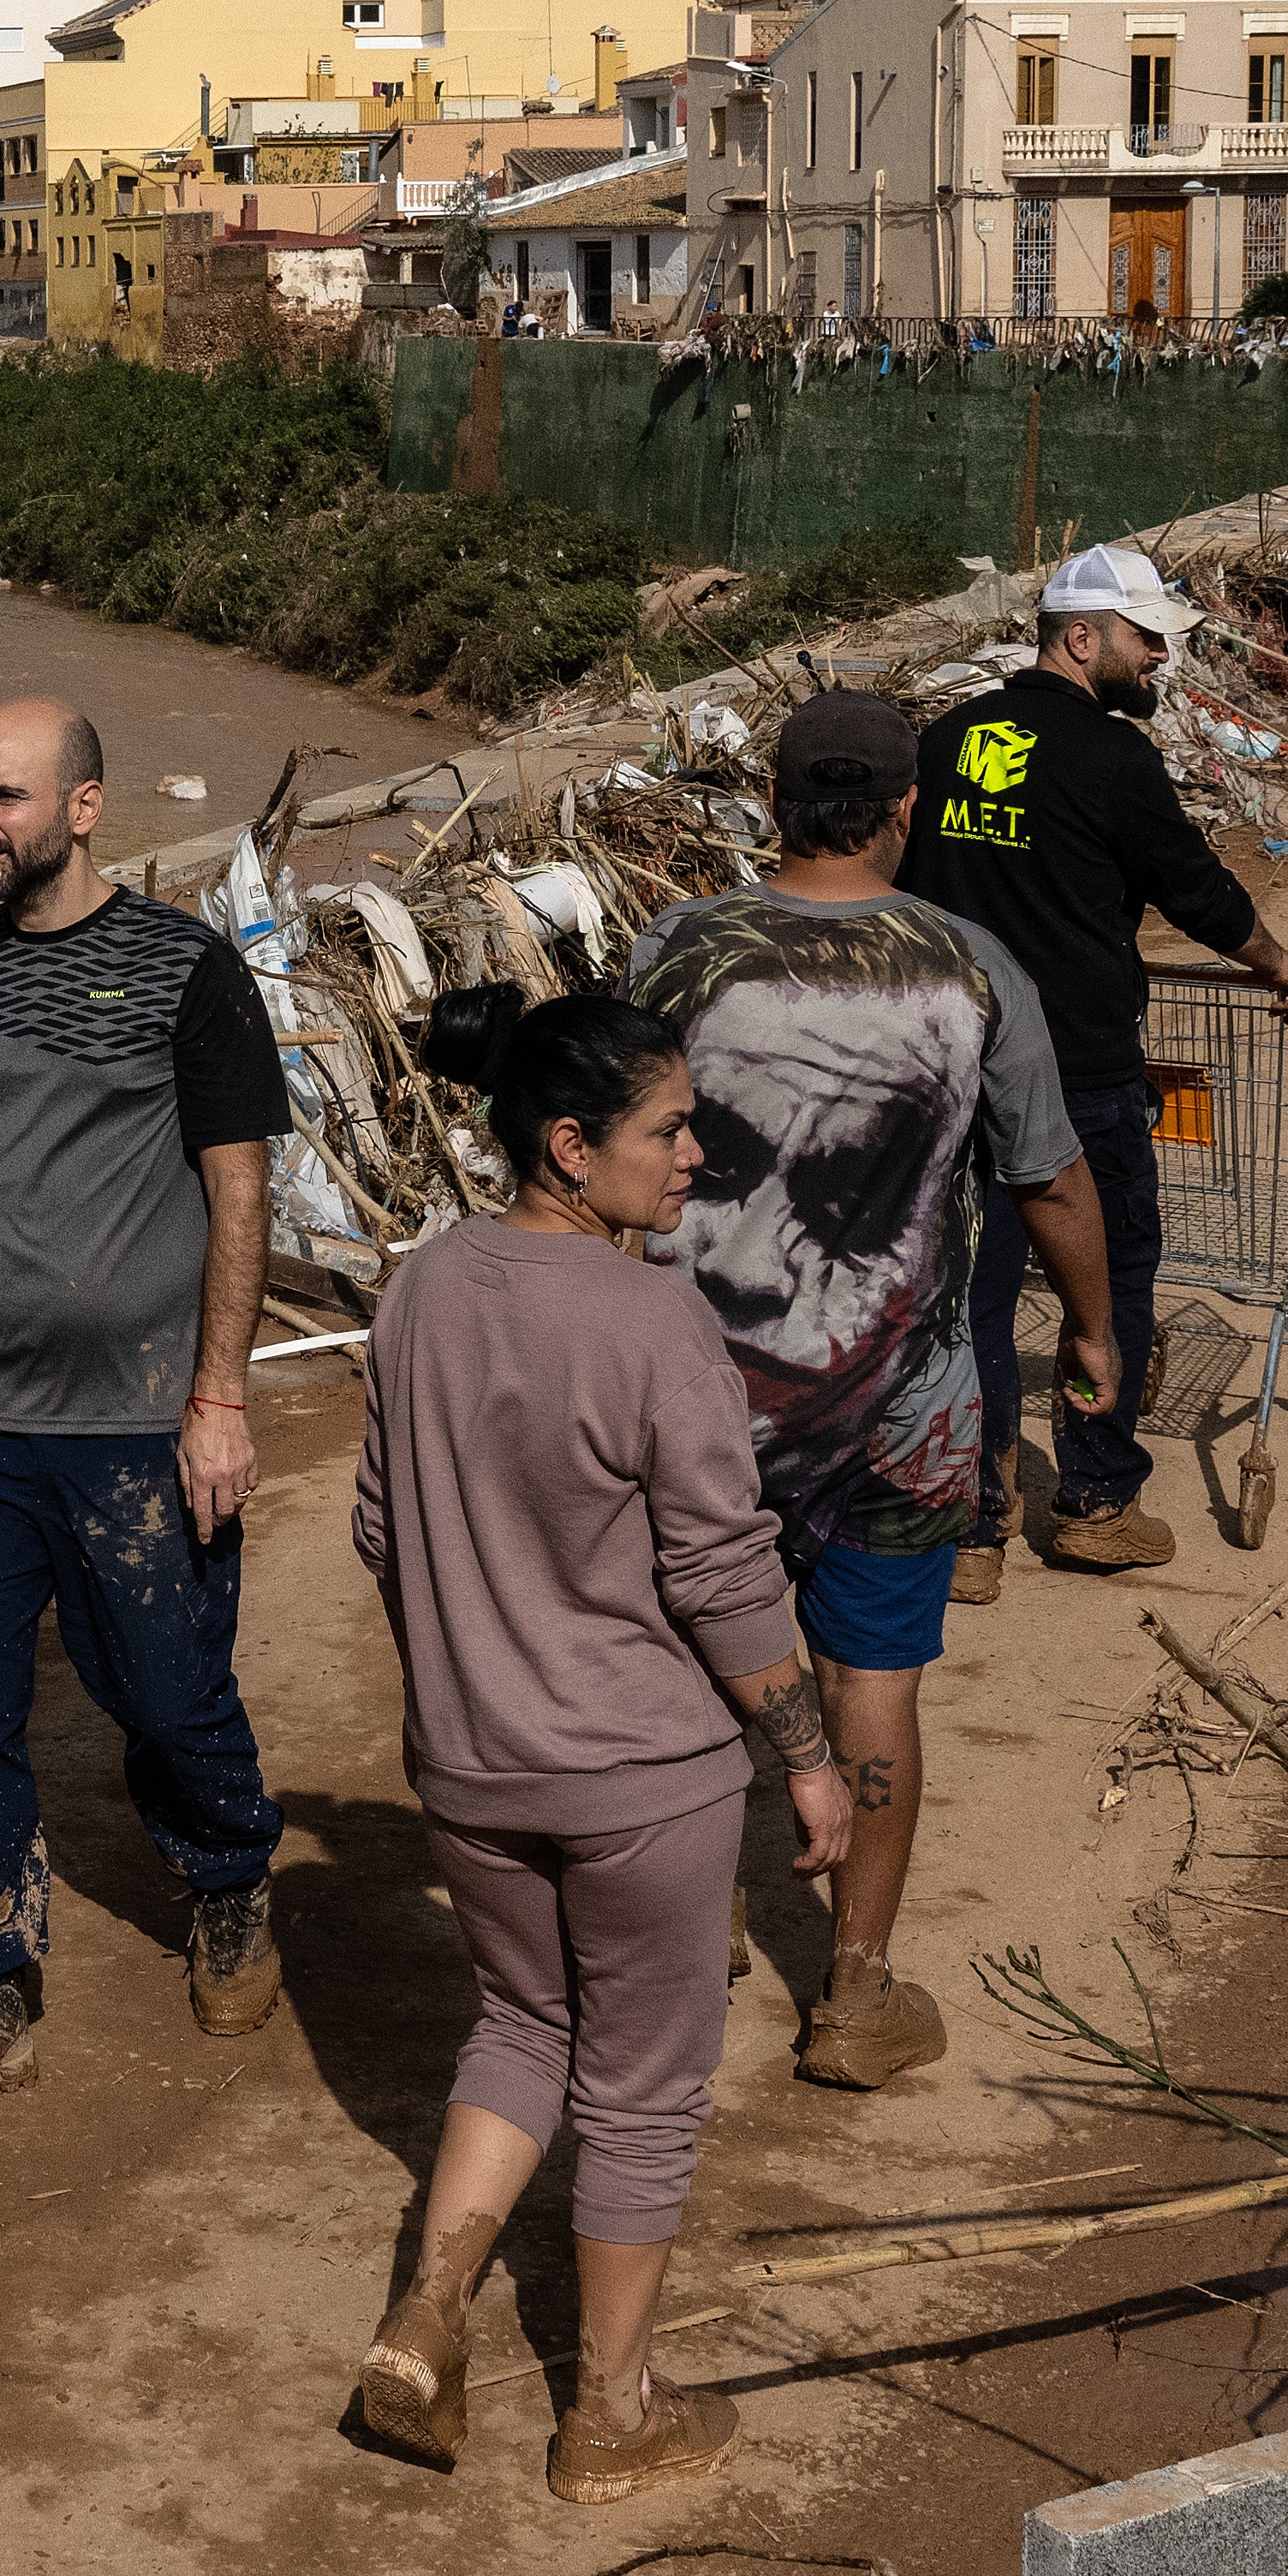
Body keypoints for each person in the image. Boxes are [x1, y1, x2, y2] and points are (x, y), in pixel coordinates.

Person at [349, 987, 853, 2495]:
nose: (697, 1151)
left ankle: (432, 2305)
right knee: (642, 2084)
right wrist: (808, 1755)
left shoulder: (419, 1288)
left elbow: (383, 1526)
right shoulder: (651, 1318)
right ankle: (611, 2415)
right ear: (570, 1145)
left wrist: (471, 1656)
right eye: (667, 1127)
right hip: (640, 1772)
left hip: (471, 1758)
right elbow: (718, 1564)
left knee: (518, 2024)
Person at [0, 696, 292, 2136]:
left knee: (167, 1686)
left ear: (86, 806)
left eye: (6, 797)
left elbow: (238, 1186)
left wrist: (218, 1395)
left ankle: (226, 1879)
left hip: (142, 1417)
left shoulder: (185, 970)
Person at [637, 690, 1118, 2087]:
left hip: (696, 1399)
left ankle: (697, 1918)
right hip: (904, 1411)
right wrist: (1091, 1330)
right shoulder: (972, 969)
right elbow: (1050, 1179)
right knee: (876, 1684)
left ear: (771, 801)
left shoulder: (682, 946)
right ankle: (853, 1991)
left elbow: (610, 1149)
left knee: (686, 1657)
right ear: (906, 807)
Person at [901, 546, 1288, 1583]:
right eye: (1145, 638)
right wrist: (1274, 957)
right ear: (1079, 636)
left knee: (970, 1294)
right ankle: (1091, 1499)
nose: (1160, 657)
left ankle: (972, 1526)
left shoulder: (946, 739)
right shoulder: (1110, 757)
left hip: (954, 1061)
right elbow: (1192, 887)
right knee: (1111, 1275)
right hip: (1077, 1068)